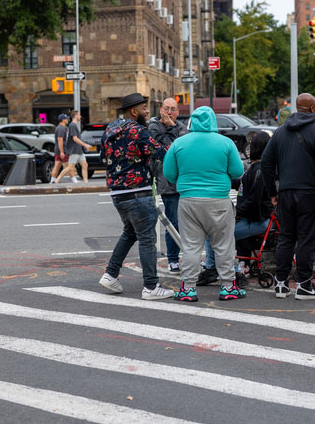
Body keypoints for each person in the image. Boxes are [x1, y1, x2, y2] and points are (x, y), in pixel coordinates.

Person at [163, 106, 245, 302]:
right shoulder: (226, 143)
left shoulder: (179, 143)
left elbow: (169, 174)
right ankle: (228, 287)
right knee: (223, 245)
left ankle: (188, 289)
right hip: (219, 200)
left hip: (189, 200)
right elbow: (237, 171)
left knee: (191, 247)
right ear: (213, 122)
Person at [261, 93, 315, 300]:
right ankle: (304, 284)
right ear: (313, 108)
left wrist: (272, 192)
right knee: (306, 240)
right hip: (311, 194)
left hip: (285, 193)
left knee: (286, 238)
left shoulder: (280, 132)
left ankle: (281, 283)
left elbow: (266, 162)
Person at [98, 93, 172, 300]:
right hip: (138, 191)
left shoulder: (110, 129)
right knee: (147, 238)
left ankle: (111, 274)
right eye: (144, 108)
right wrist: (170, 130)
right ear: (134, 111)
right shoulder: (138, 131)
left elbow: (103, 155)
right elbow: (161, 153)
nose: (148, 112)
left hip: (117, 192)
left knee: (130, 232)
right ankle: (151, 286)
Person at [197, 132, 273, 288]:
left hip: (257, 221)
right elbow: (243, 185)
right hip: (251, 219)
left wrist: (234, 212)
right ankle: (213, 268)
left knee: (216, 234)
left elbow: (252, 202)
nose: (249, 147)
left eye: (252, 144)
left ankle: (230, 271)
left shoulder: (260, 170)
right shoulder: (256, 168)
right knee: (212, 231)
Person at [147, 98, 187, 274]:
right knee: (173, 222)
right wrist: (171, 129)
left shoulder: (182, 127)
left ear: (177, 112)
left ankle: (188, 256)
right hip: (167, 182)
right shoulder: (153, 126)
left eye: (173, 109)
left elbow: (184, 145)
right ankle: (173, 259)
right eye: (166, 108)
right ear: (160, 109)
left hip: (185, 182)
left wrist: (172, 129)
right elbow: (165, 148)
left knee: (189, 223)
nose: (169, 112)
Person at [55, 110, 91, 183]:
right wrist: (85, 145)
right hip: (74, 150)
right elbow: (74, 138)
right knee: (70, 167)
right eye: (79, 115)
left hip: (79, 150)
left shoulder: (74, 125)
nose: (80, 116)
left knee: (84, 165)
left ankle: (86, 182)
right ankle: (57, 180)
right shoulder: (72, 125)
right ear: (76, 116)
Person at [50, 114, 70, 183]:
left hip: (58, 150)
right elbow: (60, 140)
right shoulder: (61, 128)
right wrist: (62, 151)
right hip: (62, 150)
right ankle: (74, 180)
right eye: (66, 118)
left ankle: (52, 180)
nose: (67, 120)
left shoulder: (59, 127)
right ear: (63, 120)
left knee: (57, 165)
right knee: (69, 166)